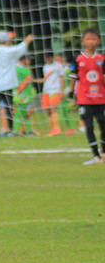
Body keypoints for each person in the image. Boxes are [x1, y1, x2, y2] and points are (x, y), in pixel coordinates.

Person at [0, 30, 35, 137]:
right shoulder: (9, 51)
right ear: (7, 40)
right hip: (7, 85)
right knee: (9, 109)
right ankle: (10, 130)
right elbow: (20, 48)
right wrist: (28, 40)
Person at [69, 27, 105, 164]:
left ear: (99, 41)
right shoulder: (78, 58)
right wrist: (71, 93)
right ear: (83, 41)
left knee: (103, 125)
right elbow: (74, 77)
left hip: (101, 98)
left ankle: (103, 152)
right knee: (89, 126)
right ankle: (95, 155)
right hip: (84, 99)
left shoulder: (101, 58)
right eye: (88, 39)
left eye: (94, 39)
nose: (91, 42)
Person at [40, 53, 67, 136]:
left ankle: (57, 128)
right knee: (48, 109)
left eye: (50, 57)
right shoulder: (45, 67)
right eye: (47, 58)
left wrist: (62, 91)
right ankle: (52, 129)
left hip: (55, 90)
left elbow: (62, 78)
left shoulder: (58, 66)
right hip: (46, 91)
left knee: (53, 108)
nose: (48, 59)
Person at [14, 54, 39, 135]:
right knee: (18, 113)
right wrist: (19, 90)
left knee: (28, 113)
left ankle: (28, 130)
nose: (29, 61)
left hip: (28, 95)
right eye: (28, 59)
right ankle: (17, 131)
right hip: (19, 95)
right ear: (23, 60)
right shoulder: (16, 68)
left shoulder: (28, 69)